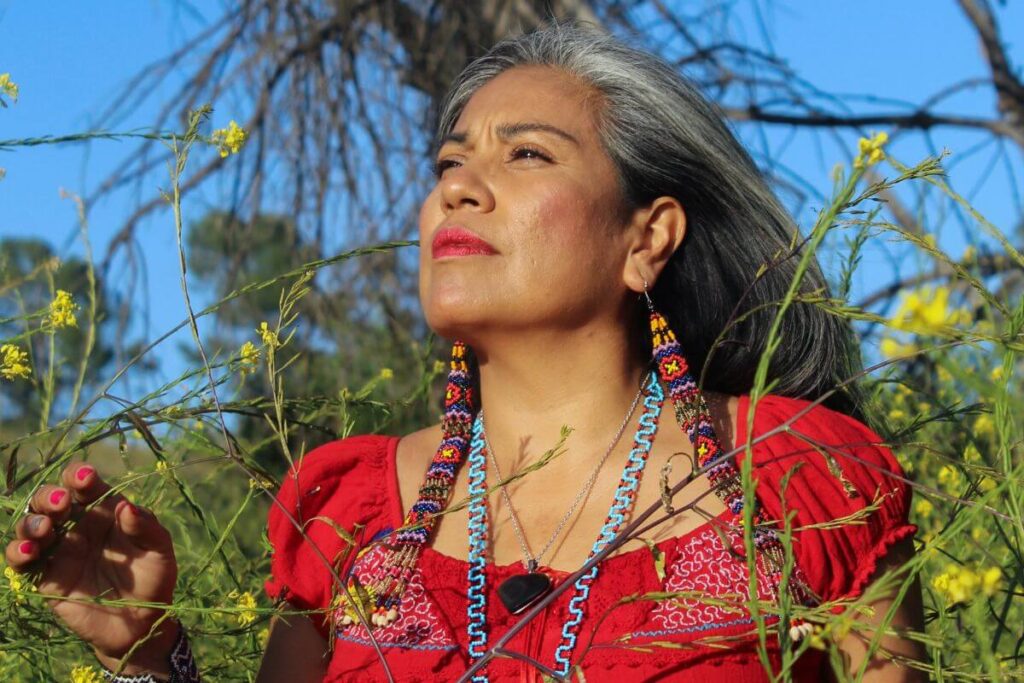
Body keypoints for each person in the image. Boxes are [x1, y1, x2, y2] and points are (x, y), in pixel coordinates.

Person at [5, 20, 926, 683]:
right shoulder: (350, 513)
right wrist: (149, 654)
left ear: (647, 238)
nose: (460, 190)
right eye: (449, 163)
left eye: (525, 155)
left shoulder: (794, 477)